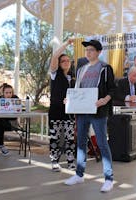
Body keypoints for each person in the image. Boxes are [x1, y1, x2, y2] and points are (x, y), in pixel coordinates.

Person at [64, 39, 116, 193]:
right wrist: (70, 100)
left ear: (99, 52)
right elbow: (77, 90)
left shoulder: (105, 68)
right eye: (87, 50)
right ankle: (79, 175)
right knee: (80, 142)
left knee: (102, 143)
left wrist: (104, 100)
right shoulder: (81, 70)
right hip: (82, 112)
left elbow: (112, 90)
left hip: (98, 111)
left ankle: (109, 179)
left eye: (91, 50)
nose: (88, 52)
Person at [49, 38, 76, 172]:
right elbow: (54, 56)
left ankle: (71, 161)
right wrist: (66, 44)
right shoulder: (54, 74)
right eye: (63, 61)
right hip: (55, 112)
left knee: (70, 138)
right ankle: (54, 161)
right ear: (59, 64)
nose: (66, 62)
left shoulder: (73, 78)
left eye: (68, 60)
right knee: (55, 138)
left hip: (69, 113)